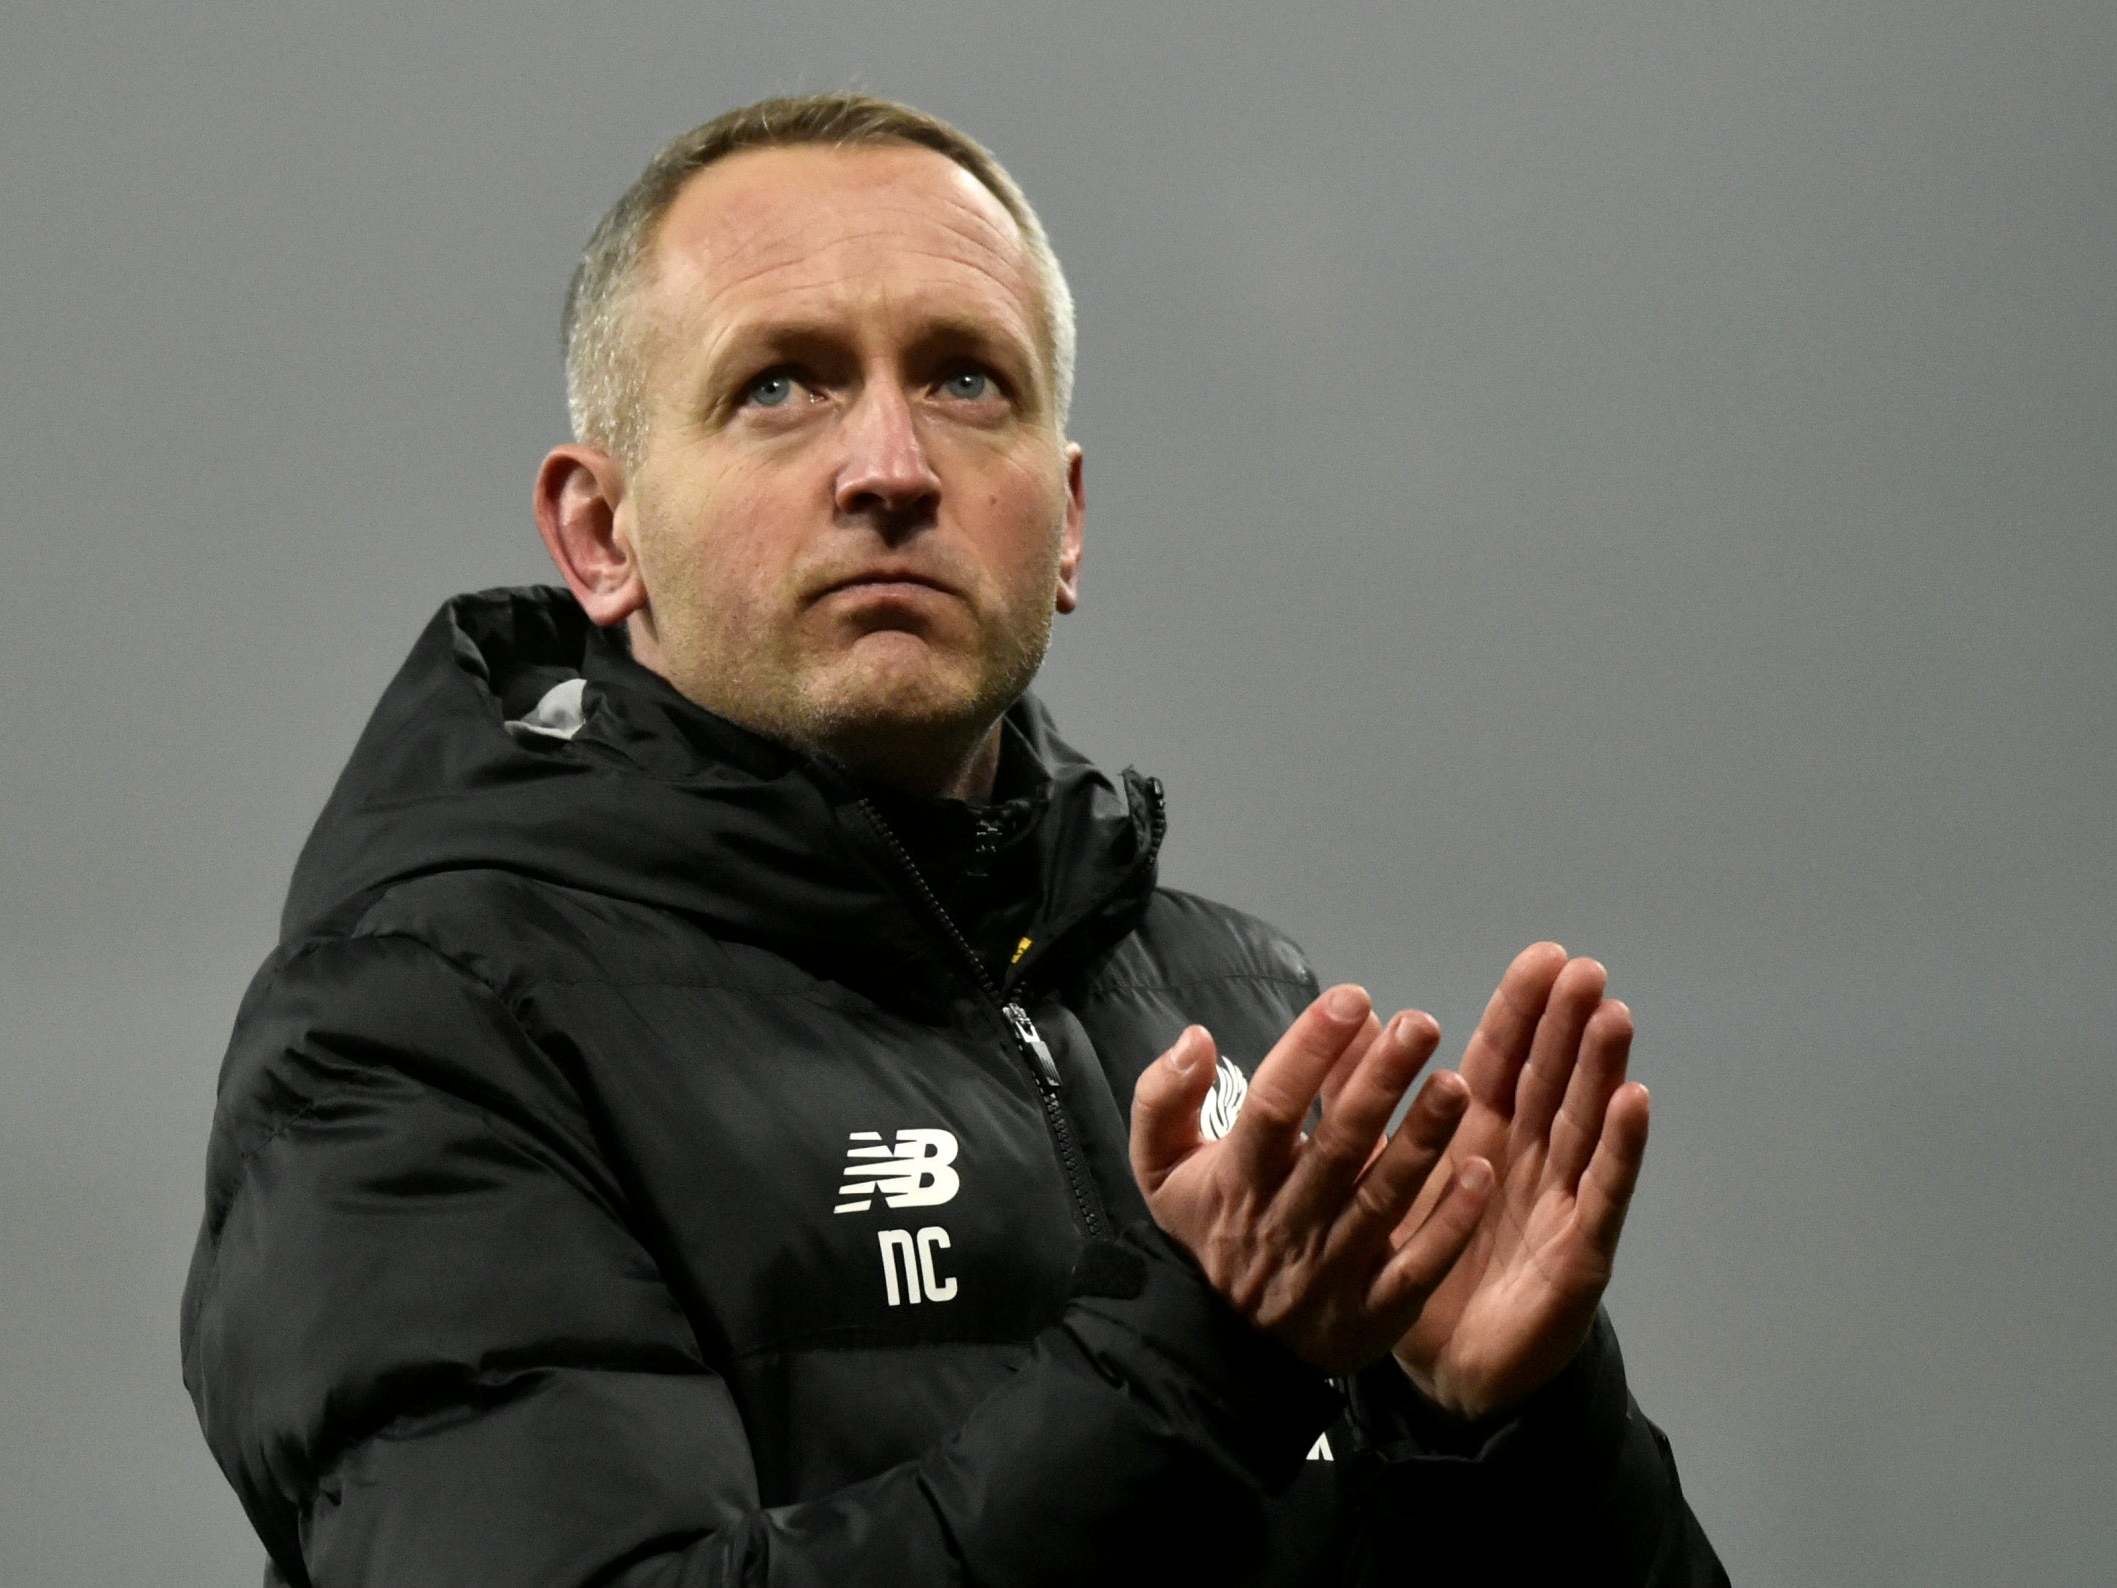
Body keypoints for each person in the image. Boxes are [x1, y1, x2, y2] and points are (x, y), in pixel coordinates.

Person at [180, 92, 1727, 1586]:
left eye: (964, 380)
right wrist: (1194, 1369)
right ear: (601, 534)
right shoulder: (414, 1028)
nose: (891, 469)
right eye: (777, 383)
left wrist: (1520, 1435)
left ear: (1063, 525)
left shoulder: (1235, 996)